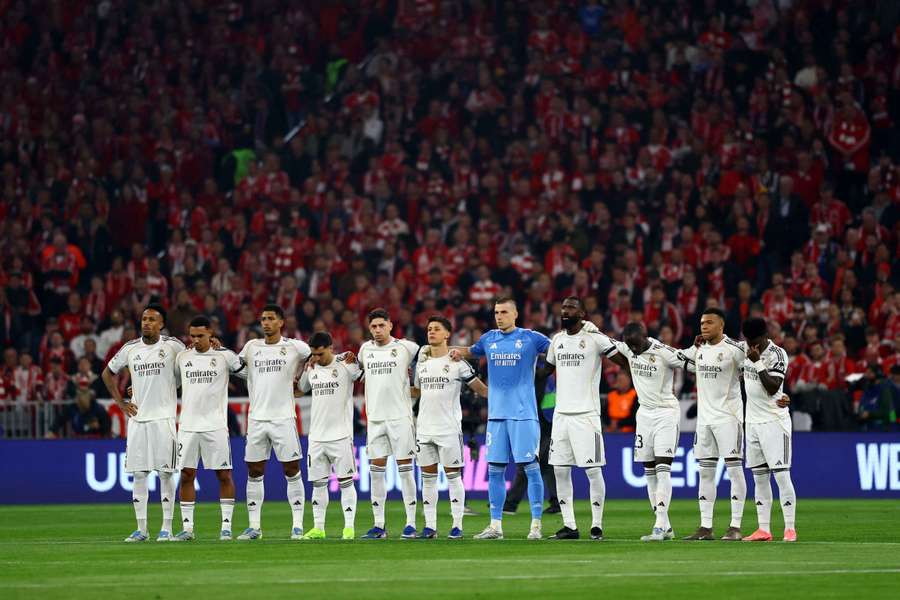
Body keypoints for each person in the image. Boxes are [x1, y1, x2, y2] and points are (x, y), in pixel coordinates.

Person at [450, 297, 551, 540]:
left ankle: (536, 525)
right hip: (496, 416)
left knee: (530, 467)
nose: (499, 316)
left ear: (515, 314)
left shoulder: (531, 338)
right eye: (496, 312)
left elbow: (558, 348)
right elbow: (471, 352)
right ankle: (495, 526)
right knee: (495, 470)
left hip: (523, 415)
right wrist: (452, 352)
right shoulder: (489, 339)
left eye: (504, 312)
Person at [543, 297, 630, 540]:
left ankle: (597, 524)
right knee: (560, 470)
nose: (565, 310)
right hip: (561, 416)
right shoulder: (557, 340)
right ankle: (569, 525)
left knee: (592, 471)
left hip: (586, 415)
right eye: (563, 307)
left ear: (582, 312)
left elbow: (623, 361)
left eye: (571, 307)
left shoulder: (595, 338)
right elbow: (545, 372)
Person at [101, 304, 186, 542]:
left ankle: (166, 528)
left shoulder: (173, 346)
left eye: (151, 319)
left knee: (166, 473)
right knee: (139, 473)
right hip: (138, 419)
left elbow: (189, 367)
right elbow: (107, 373)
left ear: (161, 324)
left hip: (163, 418)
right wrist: (121, 402)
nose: (146, 323)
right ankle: (141, 529)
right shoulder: (130, 348)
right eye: (144, 319)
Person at [233, 304, 311, 540]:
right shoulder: (251, 347)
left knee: (292, 469)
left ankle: (297, 525)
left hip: (283, 418)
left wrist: (301, 382)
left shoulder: (295, 347)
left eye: (270, 319)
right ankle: (254, 526)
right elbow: (236, 367)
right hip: (257, 418)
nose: (265, 322)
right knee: (254, 470)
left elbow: (316, 357)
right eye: (263, 318)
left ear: (281, 322)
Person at [412, 315, 487, 539]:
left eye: (436, 329)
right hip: (424, 429)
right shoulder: (421, 365)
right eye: (429, 329)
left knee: (454, 477)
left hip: (448, 429)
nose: (431, 332)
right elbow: (416, 391)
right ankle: (430, 526)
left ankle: (456, 525)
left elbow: (482, 390)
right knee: (428, 479)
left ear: (447, 335)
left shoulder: (457, 363)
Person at [171, 316, 244, 542]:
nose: (195, 340)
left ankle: (226, 527)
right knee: (186, 475)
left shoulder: (225, 356)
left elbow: (252, 374)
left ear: (211, 333)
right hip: (188, 426)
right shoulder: (182, 357)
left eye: (200, 336)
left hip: (215, 426)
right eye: (192, 336)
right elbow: (169, 384)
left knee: (223, 475)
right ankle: (188, 528)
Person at [678, 307, 748, 541]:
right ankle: (705, 527)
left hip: (729, 418)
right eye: (701, 323)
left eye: (709, 323)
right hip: (705, 421)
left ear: (721, 326)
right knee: (705, 473)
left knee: (734, 470)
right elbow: (676, 358)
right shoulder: (698, 350)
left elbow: (760, 365)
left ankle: (735, 526)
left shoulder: (736, 350)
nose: (704, 327)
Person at [617, 322, 686, 541]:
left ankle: (658, 526)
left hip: (666, 413)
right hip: (644, 415)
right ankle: (665, 526)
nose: (634, 350)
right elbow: (608, 344)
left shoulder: (664, 352)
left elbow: (692, 363)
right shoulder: (628, 348)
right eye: (630, 346)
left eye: (636, 345)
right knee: (649, 470)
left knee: (663, 467)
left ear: (644, 336)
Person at [356, 308, 420, 539]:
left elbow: (425, 360)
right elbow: (357, 372)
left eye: (381, 325)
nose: (377, 330)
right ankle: (379, 525)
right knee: (376, 472)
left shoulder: (407, 347)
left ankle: (411, 524)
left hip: (400, 417)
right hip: (375, 419)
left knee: (405, 470)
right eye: (373, 326)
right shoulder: (365, 350)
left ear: (390, 325)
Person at [297, 331, 362, 540]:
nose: (316, 358)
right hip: (316, 436)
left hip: (341, 435)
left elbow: (362, 374)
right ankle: (318, 528)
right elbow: (301, 388)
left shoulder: (346, 364)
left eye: (320, 353)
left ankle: (349, 528)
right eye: (313, 354)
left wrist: (355, 358)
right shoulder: (312, 368)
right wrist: (306, 367)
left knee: (345, 482)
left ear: (331, 348)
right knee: (318, 483)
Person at [739, 317, 797, 543]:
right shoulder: (744, 350)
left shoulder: (777, 354)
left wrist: (758, 363)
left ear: (764, 336)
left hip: (774, 421)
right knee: (760, 478)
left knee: (782, 476)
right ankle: (764, 529)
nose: (751, 346)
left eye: (755, 341)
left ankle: (790, 528)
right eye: (748, 341)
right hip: (752, 423)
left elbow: (773, 387)